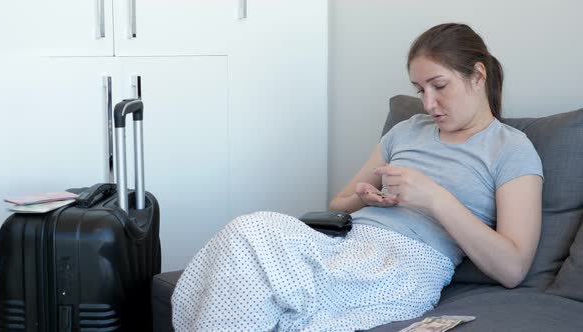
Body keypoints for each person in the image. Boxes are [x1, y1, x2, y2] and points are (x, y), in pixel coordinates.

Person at [171, 23, 544, 332]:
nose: (428, 104)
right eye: (420, 90)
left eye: (439, 86)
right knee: (247, 232)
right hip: (347, 243)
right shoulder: (408, 129)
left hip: (406, 264)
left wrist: (433, 197)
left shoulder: (510, 148)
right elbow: (339, 203)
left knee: (255, 258)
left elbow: (512, 267)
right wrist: (366, 197)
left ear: (477, 76)